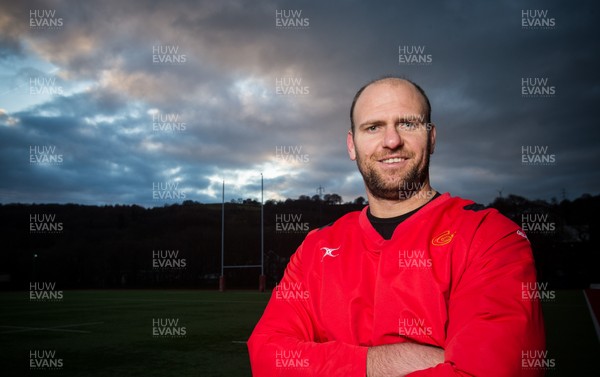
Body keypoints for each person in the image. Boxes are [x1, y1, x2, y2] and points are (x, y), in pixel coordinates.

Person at [247, 77, 546, 376]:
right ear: (352, 145)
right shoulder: (315, 247)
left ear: (431, 137)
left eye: (408, 124)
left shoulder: (490, 235)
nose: (391, 141)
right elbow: (267, 356)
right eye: (373, 127)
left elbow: (492, 371)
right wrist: (385, 362)